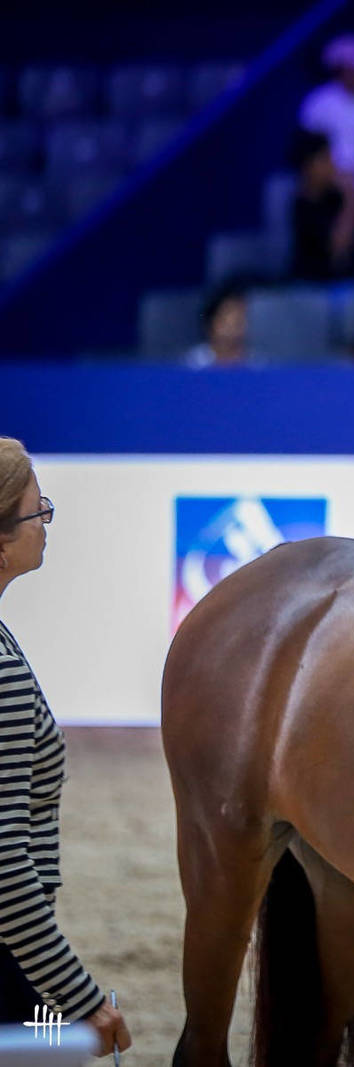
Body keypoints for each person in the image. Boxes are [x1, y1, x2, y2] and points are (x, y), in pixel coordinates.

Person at [0, 439, 133, 1058]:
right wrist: (80, 1000)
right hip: (9, 958)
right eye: (37, 512)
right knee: (47, 1050)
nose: (47, 523)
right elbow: (3, 865)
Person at [298, 34, 354, 192]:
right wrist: (332, 173)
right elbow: (311, 147)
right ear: (343, 71)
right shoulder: (318, 101)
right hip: (326, 175)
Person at [287, 130, 354, 281]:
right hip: (312, 284)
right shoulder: (301, 207)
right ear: (308, 167)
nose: (333, 166)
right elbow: (339, 248)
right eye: (325, 160)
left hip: (345, 282)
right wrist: (352, 197)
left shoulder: (336, 196)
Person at [185, 288, 253, 368]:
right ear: (212, 323)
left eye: (239, 322)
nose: (235, 329)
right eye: (227, 320)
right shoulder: (194, 363)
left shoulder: (254, 364)